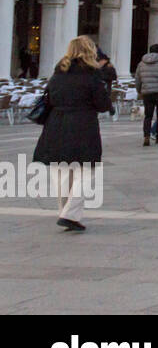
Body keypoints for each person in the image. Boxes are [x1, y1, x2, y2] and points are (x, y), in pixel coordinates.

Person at [34, 35, 109, 231]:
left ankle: (65, 213)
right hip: (83, 124)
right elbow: (102, 105)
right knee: (86, 171)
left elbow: (49, 100)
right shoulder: (92, 74)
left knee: (61, 172)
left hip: (56, 125)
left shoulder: (58, 73)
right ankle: (70, 214)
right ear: (89, 50)